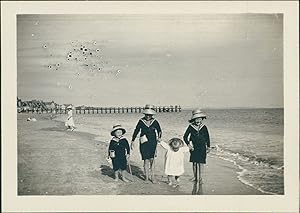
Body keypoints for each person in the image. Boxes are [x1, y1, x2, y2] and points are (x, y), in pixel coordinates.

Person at [131, 104, 162, 183]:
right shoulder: (141, 121)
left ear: (152, 115)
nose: (148, 116)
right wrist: (132, 140)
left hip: (153, 142)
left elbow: (159, 131)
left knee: (152, 159)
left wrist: (159, 138)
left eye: (150, 115)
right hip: (143, 142)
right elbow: (136, 130)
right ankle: (147, 178)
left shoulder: (155, 121)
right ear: (144, 114)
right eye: (147, 114)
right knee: (145, 160)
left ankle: (153, 177)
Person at [183, 109, 210, 184]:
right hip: (193, 147)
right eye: (196, 119)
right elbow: (185, 137)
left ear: (202, 119)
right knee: (194, 163)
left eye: (199, 119)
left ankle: (200, 178)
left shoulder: (204, 127)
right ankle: (195, 177)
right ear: (193, 119)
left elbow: (207, 137)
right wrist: (189, 145)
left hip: (202, 147)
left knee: (201, 163)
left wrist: (208, 147)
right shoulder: (190, 127)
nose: (198, 121)